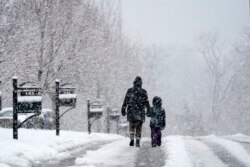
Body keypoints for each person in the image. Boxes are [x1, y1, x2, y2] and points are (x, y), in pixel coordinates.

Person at [121, 76, 150, 147]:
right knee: (139, 127)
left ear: (134, 82)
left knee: (131, 126)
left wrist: (123, 109)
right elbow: (146, 102)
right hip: (140, 112)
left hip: (131, 111)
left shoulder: (130, 90)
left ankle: (131, 138)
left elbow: (126, 101)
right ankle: (137, 141)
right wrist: (148, 110)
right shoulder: (143, 92)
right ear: (141, 83)